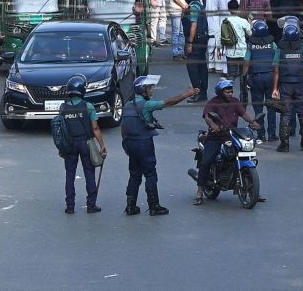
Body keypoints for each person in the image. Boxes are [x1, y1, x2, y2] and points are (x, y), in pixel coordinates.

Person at [120, 75, 199, 216]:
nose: (152, 90)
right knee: (150, 174)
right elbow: (169, 102)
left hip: (130, 143)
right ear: (143, 90)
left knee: (134, 174)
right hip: (144, 143)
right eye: (150, 88)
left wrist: (126, 146)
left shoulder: (127, 105)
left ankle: (130, 206)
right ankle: (154, 206)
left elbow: (123, 128)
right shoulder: (146, 105)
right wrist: (187, 94)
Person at [193, 79, 263, 205]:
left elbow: (244, 113)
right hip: (216, 137)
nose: (230, 94)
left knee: (245, 153)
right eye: (227, 92)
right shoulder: (213, 102)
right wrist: (213, 125)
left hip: (231, 136)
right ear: (220, 92)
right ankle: (199, 191)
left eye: (231, 91)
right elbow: (208, 117)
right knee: (207, 161)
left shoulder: (235, 102)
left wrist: (253, 122)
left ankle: (252, 189)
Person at [57, 75, 107, 214]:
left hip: (70, 145)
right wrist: (102, 145)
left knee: (70, 175)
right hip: (86, 144)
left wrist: (61, 148)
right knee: (89, 173)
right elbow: (95, 128)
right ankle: (91, 205)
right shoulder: (88, 106)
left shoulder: (63, 107)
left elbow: (61, 129)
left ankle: (70, 206)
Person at [272, 21, 303, 153]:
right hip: (300, 85)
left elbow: (276, 70)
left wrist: (275, 89)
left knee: (286, 114)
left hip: (285, 86)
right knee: (302, 114)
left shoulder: (279, 50)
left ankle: (285, 144)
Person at [245, 19, 279, 141]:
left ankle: (261, 134)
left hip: (256, 78)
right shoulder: (272, 44)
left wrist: (245, 78)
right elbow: (276, 64)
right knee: (271, 107)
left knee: (258, 108)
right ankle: (272, 134)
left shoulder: (251, 45)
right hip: (270, 77)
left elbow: (247, 62)